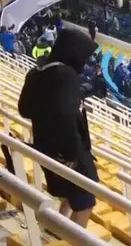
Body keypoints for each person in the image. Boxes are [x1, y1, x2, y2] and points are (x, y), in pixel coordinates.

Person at [18, 29, 99, 228]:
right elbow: (65, 113)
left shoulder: (37, 72)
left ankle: (56, 230)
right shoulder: (66, 75)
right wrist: (71, 154)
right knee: (85, 202)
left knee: (69, 195)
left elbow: (25, 110)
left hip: (45, 146)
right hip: (68, 153)